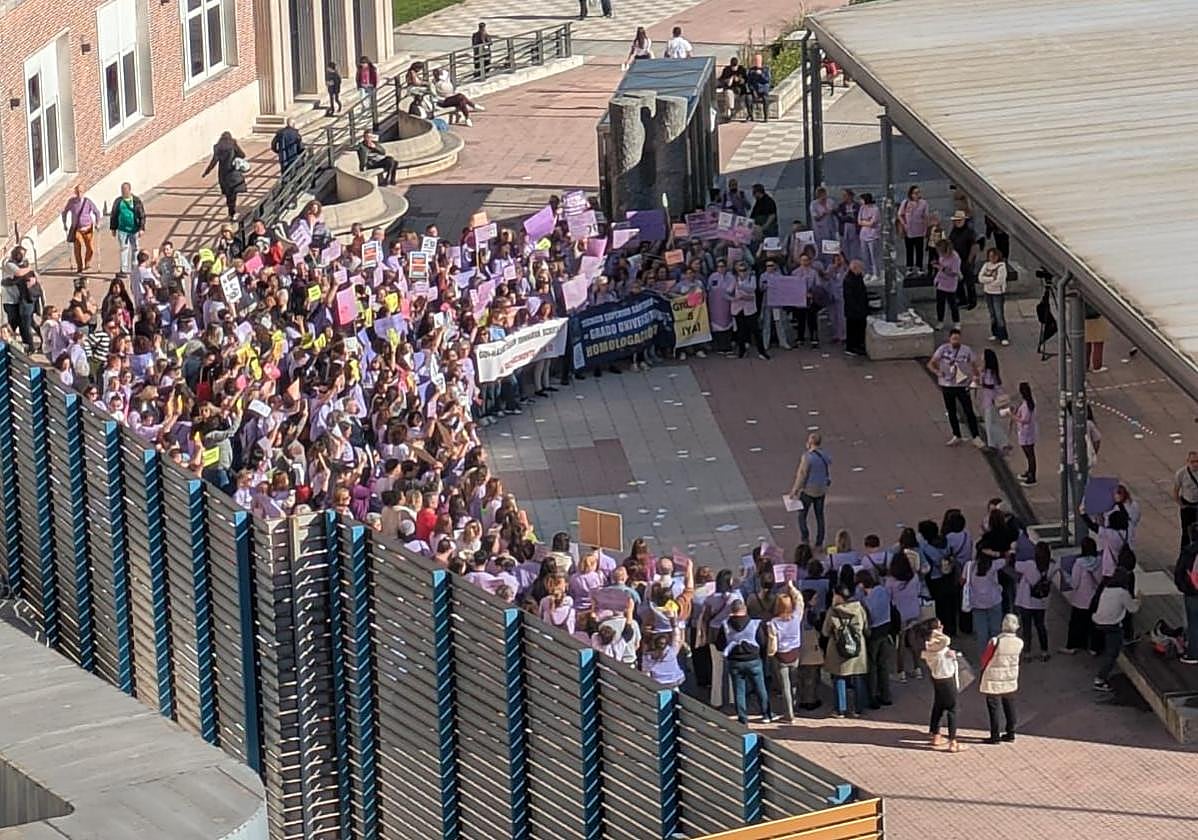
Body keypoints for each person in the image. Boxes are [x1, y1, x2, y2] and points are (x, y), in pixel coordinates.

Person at [713, 599, 772, 724]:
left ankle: (743, 718)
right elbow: (762, 642)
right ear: (745, 609)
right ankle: (766, 714)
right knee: (760, 687)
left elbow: (719, 645)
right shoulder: (754, 623)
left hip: (735, 661)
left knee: (739, 690)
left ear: (731, 610)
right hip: (753, 660)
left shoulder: (725, 625)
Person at [927, 328, 983, 447]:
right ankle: (956, 435)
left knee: (969, 411)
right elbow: (931, 363)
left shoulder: (966, 350)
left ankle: (976, 436)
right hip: (947, 384)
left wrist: (976, 377)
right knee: (951, 411)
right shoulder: (943, 349)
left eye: (957, 339)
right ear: (949, 339)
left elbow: (974, 364)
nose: (955, 341)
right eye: (953, 339)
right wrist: (937, 372)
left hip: (962, 384)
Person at [822, 585, 868, 717]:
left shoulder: (833, 611)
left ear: (837, 596)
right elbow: (865, 627)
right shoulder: (859, 608)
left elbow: (825, 632)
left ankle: (840, 709)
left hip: (838, 648)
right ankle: (858, 709)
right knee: (858, 677)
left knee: (839, 677)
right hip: (857, 647)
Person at [1092, 567, 1139, 692]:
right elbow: (1133, 609)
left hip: (1098, 621)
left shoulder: (1106, 589)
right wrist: (1139, 600)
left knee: (1111, 643)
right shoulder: (1123, 593)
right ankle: (1100, 679)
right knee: (1112, 654)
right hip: (1112, 625)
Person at [978, 613, 1023, 744]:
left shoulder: (996, 641)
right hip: (1010, 676)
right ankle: (1011, 732)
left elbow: (985, 659)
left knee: (994, 707)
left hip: (993, 676)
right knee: (1009, 705)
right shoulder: (1019, 642)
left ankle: (995, 735)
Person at [921, 618, 963, 752]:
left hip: (937, 678)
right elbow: (947, 640)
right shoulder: (940, 643)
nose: (942, 628)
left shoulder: (928, 645)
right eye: (939, 627)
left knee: (938, 705)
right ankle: (953, 741)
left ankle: (936, 734)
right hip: (947, 679)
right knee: (952, 709)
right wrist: (936, 632)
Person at [1012, 541, 1057, 661]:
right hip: (1041, 602)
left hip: (1026, 602)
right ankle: (1044, 651)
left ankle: (1027, 653)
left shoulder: (1029, 565)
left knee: (1027, 629)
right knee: (1041, 626)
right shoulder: (1052, 566)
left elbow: (1014, 565)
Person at [857, 571, 894, 708]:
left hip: (874, 632)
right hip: (886, 628)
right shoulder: (882, 590)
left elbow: (869, 617)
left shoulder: (866, 600)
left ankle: (872, 696)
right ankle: (886, 695)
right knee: (883, 664)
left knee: (872, 665)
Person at [789, 433, 831, 547]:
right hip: (821, 489)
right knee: (819, 516)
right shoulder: (825, 455)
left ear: (810, 443)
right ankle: (819, 542)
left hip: (808, 490)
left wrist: (795, 490)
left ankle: (805, 538)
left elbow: (802, 475)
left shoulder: (807, 457)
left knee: (802, 515)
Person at [768, 590, 805, 721]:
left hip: (781, 655)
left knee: (785, 686)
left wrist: (770, 653)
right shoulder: (796, 617)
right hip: (795, 652)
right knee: (794, 682)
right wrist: (792, 587)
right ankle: (795, 706)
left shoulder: (773, 623)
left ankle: (789, 713)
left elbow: (772, 641)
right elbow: (800, 601)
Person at [1063, 537, 1102, 655]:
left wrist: (1066, 576)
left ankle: (1073, 646)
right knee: (1093, 624)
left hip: (1080, 599)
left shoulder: (1079, 563)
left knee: (1076, 624)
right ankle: (1094, 648)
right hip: (1094, 599)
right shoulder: (1099, 561)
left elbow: (1074, 584)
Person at [725, 260, 768, 360]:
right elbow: (727, 292)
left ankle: (762, 352)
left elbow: (752, 289)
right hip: (738, 309)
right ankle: (742, 351)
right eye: (740, 270)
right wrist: (734, 298)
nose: (743, 272)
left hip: (750, 309)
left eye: (744, 270)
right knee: (740, 331)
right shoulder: (734, 280)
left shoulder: (751, 278)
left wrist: (740, 287)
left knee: (756, 331)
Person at [201, 131, 248, 220]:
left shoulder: (217, 147)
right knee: (233, 194)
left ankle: (231, 211)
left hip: (223, 175)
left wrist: (206, 172)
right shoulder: (233, 144)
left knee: (228, 194)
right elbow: (242, 155)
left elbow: (214, 161)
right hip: (233, 173)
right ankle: (232, 212)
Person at [1, 246, 38, 351]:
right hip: (10, 301)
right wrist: (30, 268)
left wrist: (33, 278)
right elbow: (19, 273)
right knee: (13, 324)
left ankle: (28, 346)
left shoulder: (22, 264)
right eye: (20, 255)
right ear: (15, 254)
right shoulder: (8, 263)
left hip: (21, 300)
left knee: (27, 323)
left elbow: (32, 276)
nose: (22, 257)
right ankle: (9, 344)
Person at [1173, 524, 1198, 665]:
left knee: (1193, 623)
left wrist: (1183, 587)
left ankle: (1193, 653)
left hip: (1192, 592)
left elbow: (1180, 571)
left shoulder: (1188, 552)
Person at [61, 186, 100, 273]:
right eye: (78, 192)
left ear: (84, 192)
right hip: (77, 229)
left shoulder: (88, 202)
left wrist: (97, 223)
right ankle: (79, 266)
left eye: (81, 192)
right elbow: (64, 212)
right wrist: (64, 223)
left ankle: (87, 262)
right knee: (77, 247)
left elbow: (96, 212)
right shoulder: (71, 202)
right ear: (75, 193)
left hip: (88, 228)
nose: (79, 194)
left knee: (90, 248)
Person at [109, 182, 146, 274]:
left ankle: (134, 267)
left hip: (134, 229)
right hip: (122, 230)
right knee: (124, 248)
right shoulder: (118, 201)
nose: (123, 192)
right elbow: (114, 215)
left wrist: (142, 228)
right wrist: (113, 228)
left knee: (135, 248)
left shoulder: (136, 201)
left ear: (129, 190)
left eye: (125, 190)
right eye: (122, 190)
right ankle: (124, 269)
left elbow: (142, 215)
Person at [947, 210, 979, 310]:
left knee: (969, 282)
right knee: (958, 281)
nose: (958, 222)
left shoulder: (969, 232)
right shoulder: (954, 231)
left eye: (960, 220)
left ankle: (972, 301)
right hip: (956, 260)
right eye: (956, 220)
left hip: (966, 260)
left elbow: (974, 246)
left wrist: (969, 260)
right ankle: (962, 300)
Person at [978, 349, 1009, 451]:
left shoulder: (989, 373)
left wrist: (981, 374)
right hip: (989, 400)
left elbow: (988, 385)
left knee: (990, 423)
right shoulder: (990, 372)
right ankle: (998, 442)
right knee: (992, 422)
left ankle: (996, 443)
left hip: (990, 401)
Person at [979, 248, 1009, 345]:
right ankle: (995, 333)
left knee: (999, 314)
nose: (992, 258)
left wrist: (988, 281)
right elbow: (980, 278)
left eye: (994, 256)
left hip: (997, 294)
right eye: (990, 256)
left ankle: (1003, 336)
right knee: (992, 314)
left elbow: (999, 281)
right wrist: (991, 279)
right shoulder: (986, 265)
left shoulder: (1002, 266)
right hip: (988, 293)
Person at [897, 185, 929, 274]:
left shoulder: (924, 203)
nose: (917, 195)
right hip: (909, 230)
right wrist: (904, 224)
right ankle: (909, 267)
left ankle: (919, 267)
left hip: (920, 229)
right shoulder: (906, 202)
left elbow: (926, 216)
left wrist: (926, 228)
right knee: (909, 249)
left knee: (919, 250)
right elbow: (899, 214)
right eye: (915, 193)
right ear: (911, 194)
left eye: (918, 192)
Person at [931, 239, 962, 329]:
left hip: (950, 284)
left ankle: (956, 322)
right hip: (941, 281)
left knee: (952, 304)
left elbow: (954, 273)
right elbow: (941, 265)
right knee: (940, 303)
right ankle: (940, 321)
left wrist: (941, 268)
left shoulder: (955, 258)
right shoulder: (942, 256)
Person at [1172, 451, 1198, 550]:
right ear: (1187, 461)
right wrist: (1181, 504)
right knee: (1186, 531)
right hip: (1187, 504)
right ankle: (1184, 552)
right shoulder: (1181, 474)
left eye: (1197, 461)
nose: (1195, 464)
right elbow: (1176, 490)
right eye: (1193, 461)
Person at [842, 259, 868, 357]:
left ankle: (858, 345)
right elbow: (850, 297)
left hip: (859, 309)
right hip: (853, 310)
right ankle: (852, 347)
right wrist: (857, 308)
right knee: (853, 329)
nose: (862, 270)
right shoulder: (849, 280)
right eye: (860, 268)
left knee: (859, 329)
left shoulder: (857, 277)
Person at [857, 193, 881, 278]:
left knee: (873, 256)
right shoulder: (862, 208)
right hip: (863, 234)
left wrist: (865, 222)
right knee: (865, 255)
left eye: (861, 199)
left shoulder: (875, 209)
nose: (860, 201)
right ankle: (867, 272)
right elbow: (859, 221)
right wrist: (866, 222)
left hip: (873, 235)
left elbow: (872, 223)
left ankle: (876, 273)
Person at [744, 56, 772, 122]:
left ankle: (766, 117)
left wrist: (761, 74)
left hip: (763, 90)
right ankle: (750, 115)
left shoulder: (766, 69)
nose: (757, 62)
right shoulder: (751, 70)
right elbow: (749, 81)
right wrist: (752, 89)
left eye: (758, 60)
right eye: (756, 61)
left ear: (761, 61)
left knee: (765, 99)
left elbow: (767, 80)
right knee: (748, 98)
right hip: (754, 90)